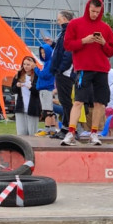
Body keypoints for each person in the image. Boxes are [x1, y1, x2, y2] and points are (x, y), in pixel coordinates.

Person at [62, 0, 113, 146]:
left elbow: (111, 50)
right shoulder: (75, 24)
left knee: (100, 103)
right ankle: (71, 132)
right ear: (88, 8)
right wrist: (83, 41)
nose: (95, 14)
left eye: (98, 12)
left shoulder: (106, 28)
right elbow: (67, 45)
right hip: (84, 69)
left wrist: (104, 43)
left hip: (101, 70)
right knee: (78, 101)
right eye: (92, 11)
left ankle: (94, 133)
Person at [49, 10, 74, 139]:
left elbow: (69, 52)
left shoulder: (69, 31)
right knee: (64, 101)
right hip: (62, 71)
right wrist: (53, 44)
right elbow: (61, 50)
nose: (58, 22)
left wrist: (60, 69)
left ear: (64, 19)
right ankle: (65, 128)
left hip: (65, 72)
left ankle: (68, 128)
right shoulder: (64, 33)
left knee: (66, 101)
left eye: (59, 20)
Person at [11, 56, 42, 136]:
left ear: (33, 65)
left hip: (33, 108)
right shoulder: (18, 74)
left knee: (32, 133)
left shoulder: (37, 76)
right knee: (21, 133)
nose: (25, 66)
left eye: (28, 64)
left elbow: (39, 92)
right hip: (20, 108)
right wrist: (17, 86)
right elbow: (13, 90)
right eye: (24, 64)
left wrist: (31, 87)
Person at [35, 38, 57, 135]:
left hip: (46, 88)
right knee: (50, 109)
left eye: (44, 53)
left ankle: (47, 129)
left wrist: (35, 69)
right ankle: (52, 128)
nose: (43, 55)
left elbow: (45, 75)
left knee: (47, 110)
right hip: (47, 88)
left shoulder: (49, 63)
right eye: (42, 53)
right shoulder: (48, 62)